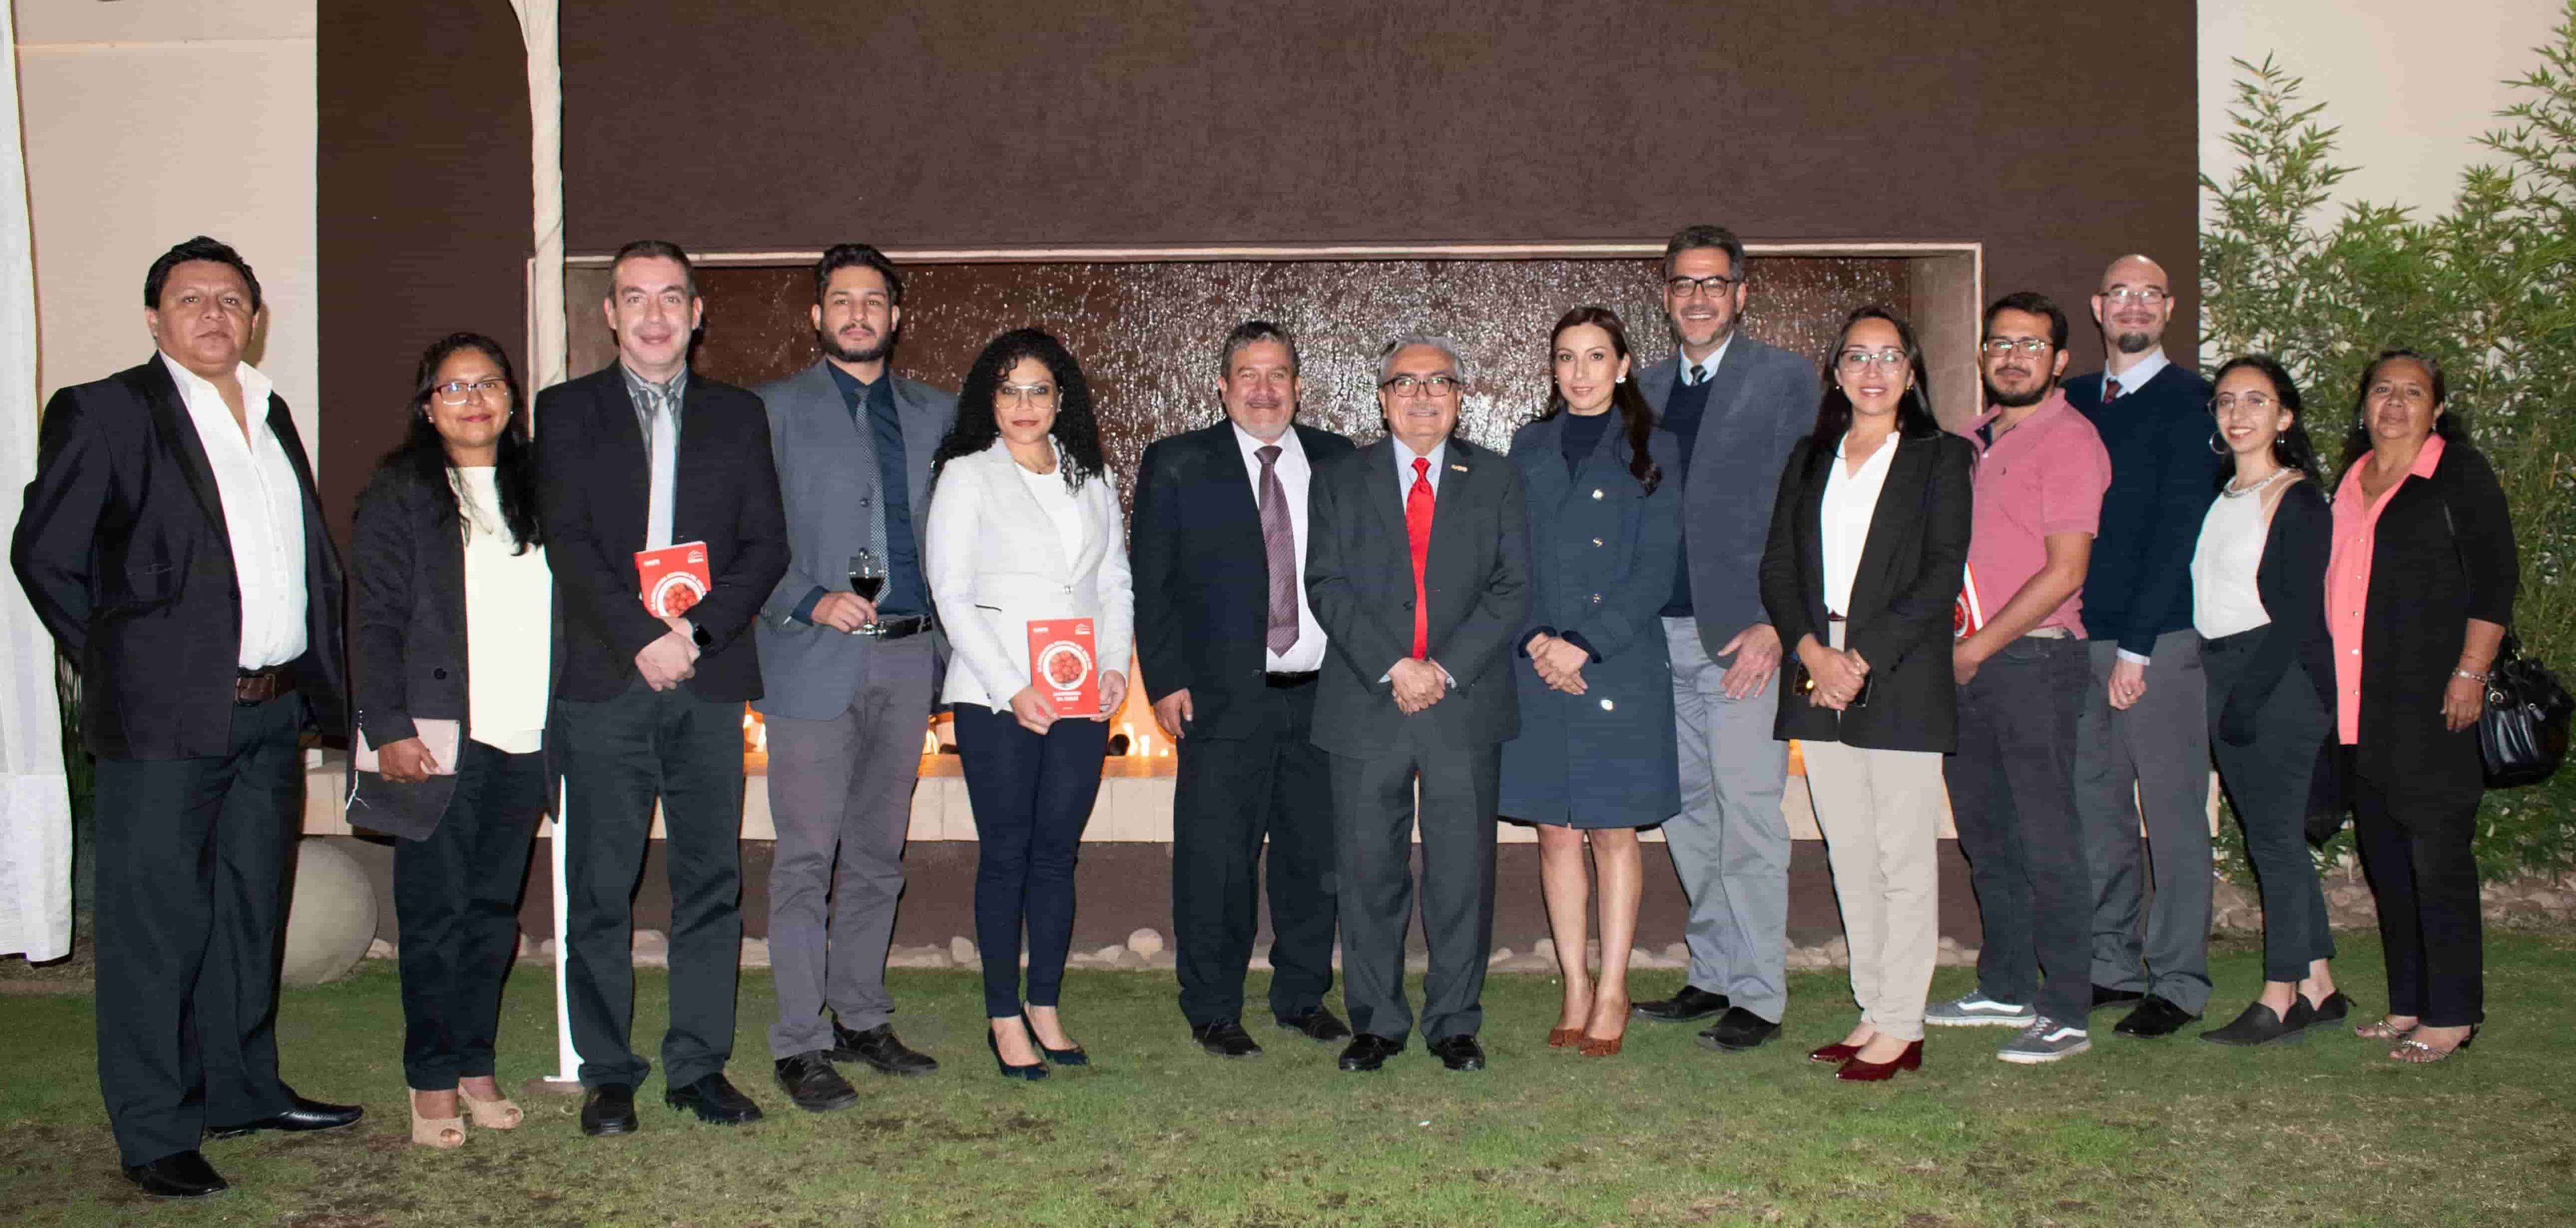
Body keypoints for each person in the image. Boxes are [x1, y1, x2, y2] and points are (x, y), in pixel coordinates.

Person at [11, 236, 358, 1196]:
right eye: (191, 298)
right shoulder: (106, 411)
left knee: (248, 915)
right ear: (155, 318)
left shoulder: (272, 411)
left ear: (256, 318)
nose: (214, 313)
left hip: (270, 714)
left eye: (232, 299)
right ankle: (156, 1129)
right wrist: (127, 662)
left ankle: (241, 1091)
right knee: (155, 929)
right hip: (163, 723)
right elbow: (44, 554)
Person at [539, 240, 789, 1135]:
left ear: (696, 313)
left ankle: (698, 1066)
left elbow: (766, 546)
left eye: (671, 297)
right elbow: (567, 541)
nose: (654, 315)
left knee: (711, 881)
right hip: (606, 683)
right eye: (635, 298)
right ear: (610, 314)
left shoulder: (738, 415)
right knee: (600, 887)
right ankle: (608, 1072)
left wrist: (694, 633)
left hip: (706, 683)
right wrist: (643, 637)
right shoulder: (566, 412)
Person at [753, 244, 951, 1112]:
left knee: (877, 856)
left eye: (874, 300)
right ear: (817, 314)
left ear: (896, 316)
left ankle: (862, 1016)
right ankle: (800, 1041)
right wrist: (804, 598)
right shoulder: (769, 410)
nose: (859, 313)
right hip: (810, 659)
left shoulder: (941, 414)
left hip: (908, 656)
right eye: (842, 300)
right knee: (806, 857)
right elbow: (739, 531)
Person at [1756, 306, 1973, 1081]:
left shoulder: (1941, 457)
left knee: (1901, 855)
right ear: (1837, 372)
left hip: (1900, 672)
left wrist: (1861, 658)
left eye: (1889, 357)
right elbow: (1779, 569)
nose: (1872, 371)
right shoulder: (1811, 456)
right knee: (1849, 852)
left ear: (1911, 373)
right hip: (1819, 671)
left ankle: (1903, 1023)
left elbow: (1941, 574)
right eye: (1857, 356)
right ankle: (1875, 1007)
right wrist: (1816, 653)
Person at [349, 332, 555, 1147]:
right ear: (427, 407)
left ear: (511, 399)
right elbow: (371, 619)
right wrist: (387, 728)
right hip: (437, 740)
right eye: (454, 387)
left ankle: (475, 1066)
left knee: (491, 916)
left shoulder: (540, 490)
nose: (474, 400)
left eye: (489, 383)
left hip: (526, 738)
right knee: (434, 918)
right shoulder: (401, 492)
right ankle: (431, 1081)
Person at [1305, 333, 1530, 1074]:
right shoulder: (1340, 478)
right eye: (1405, 382)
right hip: (1367, 701)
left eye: (1439, 382)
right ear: (1383, 398)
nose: (1423, 396)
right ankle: (1376, 1022)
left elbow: (1511, 588)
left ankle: (1454, 1022)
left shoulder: (1496, 478)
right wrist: (1394, 666)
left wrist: (1444, 670)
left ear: (1460, 397)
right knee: (1368, 870)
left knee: (1461, 872)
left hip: (1464, 704)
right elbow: (1326, 584)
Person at [1132, 321, 1356, 1060]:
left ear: (1299, 385)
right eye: (1249, 375)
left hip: (1322, 696)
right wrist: (1165, 680)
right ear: (1223, 386)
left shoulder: (1337, 459)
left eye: (1278, 374)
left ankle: (1301, 997)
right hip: (1221, 698)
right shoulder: (1177, 462)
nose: (1264, 390)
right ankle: (1213, 1008)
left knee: (1312, 859)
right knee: (1217, 861)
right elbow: (1153, 583)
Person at [1628, 225, 1819, 1054]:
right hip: (1655, 639)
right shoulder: (1645, 386)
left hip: (1743, 638)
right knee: (1689, 816)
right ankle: (1713, 972)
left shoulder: (1785, 379)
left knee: (1749, 818)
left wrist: (1780, 624)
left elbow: (1804, 508)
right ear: (1666, 295)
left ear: (1741, 293)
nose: (1699, 297)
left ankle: (1759, 994)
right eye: (1684, 283)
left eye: (1714, 283)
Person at [924, 328, 1134, 1080]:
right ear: (990, 399)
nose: (1024, 404)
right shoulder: (966, 475)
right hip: (995, 697)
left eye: (1038, 389)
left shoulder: (1092, 475)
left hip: (1081, 696)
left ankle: (1044, 1004)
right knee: (1007, 853)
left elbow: (1113, 581)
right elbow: (951, 593)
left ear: (1059, 398)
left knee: (1056, 854)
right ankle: (1003, 1016)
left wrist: (1114, 667)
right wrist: (1013, 686)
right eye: (1009, 390)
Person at [1924, 293, 2113, 1064]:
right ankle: (2004, 985)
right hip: (1965, 662)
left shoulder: (2071, 442)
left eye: (2031, 345)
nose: (2013, 357)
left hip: (2033, 659)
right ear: (1982, 354)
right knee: (1988, 835)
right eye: (2001, 343)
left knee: (2047, 839)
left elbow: (2066, 570)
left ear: (2060, 360)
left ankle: (2065, 1008)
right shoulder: (1968, 441)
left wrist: (1977, 648)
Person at [1497, 307, 1680, 1058]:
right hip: (1538, 661)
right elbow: (1508, 557)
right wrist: (1540, 642)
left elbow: (1656, 570)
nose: (1580, 372)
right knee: (1555, 830)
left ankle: (1614, 988)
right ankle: (1574, 983)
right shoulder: (1528, 445)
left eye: (1596, 356)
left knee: (1612, 830)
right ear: (1553, 368)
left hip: (1619, 661)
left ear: (1623, 365)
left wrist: (1584, 646)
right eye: (1567, 357)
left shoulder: (1655, 446)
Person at [2325, 350, 2514, 1063]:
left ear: (2437, 409)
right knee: (2387, 859)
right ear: (2364, 403)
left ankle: (2453, 1013)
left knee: (2437, 858)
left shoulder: (2458, 473)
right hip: (2360, 704)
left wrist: (2471, 671)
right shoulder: (2349, 480)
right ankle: (2409, 1002)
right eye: (2383, 390)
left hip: (2435, 701)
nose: (2396, 404)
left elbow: (2495, 580)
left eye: (2413, 392)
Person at [2062, 255, 2223, 1037]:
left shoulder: (2195, 402)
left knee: (2174, 816)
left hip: (2158, 641)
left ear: (2168, 308)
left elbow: (2178, 534)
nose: (2134, 305)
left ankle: (2180, 980)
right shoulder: (2070, 400)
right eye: (2120, 293)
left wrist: (2137, 649)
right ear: (2098, 307)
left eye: (2149, 294)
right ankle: (2111, 965)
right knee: (2097, 816)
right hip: (2080, 639)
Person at [2189, 355, 2349, 1046]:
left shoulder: (2299, 499)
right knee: (2269, 837)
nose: (2239, 413)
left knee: (2276, 843)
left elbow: (2298, 616)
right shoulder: (2223, 494)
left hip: (2275, 681)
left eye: (2256, 400)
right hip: (2227, 673)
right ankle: (2321, 985)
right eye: (2227, 400)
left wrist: (2247, 699)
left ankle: (2279, 996)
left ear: (2284, 416)